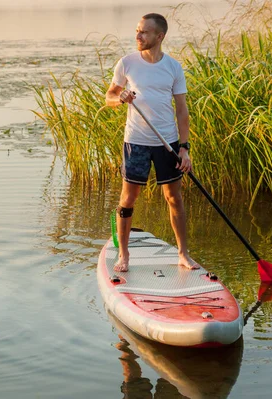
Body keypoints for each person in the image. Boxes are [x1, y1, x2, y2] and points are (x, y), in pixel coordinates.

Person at [105, 13, 199, 272]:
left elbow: (182, 110)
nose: (138, 36)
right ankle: (123, 255)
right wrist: (120, 97)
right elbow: (109, 96)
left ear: (160, 36)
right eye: (137, 30)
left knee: (174, 198)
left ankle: (183, 254)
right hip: (136, 141)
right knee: (128, 198)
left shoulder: (173, 67)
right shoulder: (127, 63)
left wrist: (184, 147)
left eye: (144, 32)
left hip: (167, 142)